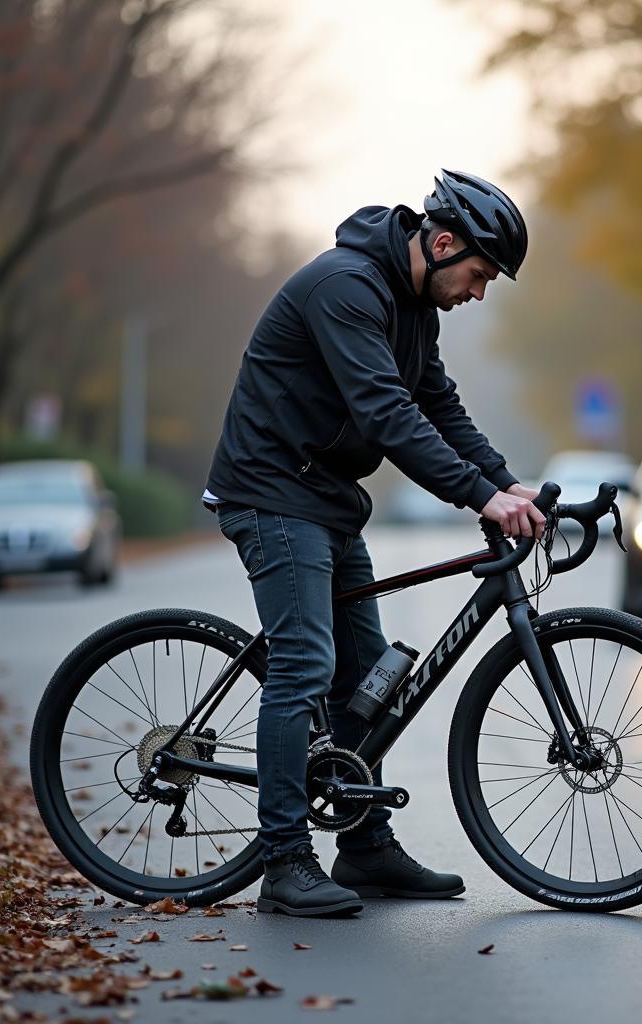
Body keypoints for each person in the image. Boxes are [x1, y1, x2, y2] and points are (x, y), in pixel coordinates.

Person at [203, 170, 546, 917]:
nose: (479, 291)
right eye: (480, 275)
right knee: (306, 663)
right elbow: (386, 414)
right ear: (444, 242)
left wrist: (507, 483)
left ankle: (363, 846)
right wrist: (478, 496)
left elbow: (438, 406)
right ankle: (286, 862)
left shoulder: (416, 311)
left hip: (325, 500)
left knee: (368, 676)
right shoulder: (346, 287)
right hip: (269, 491)